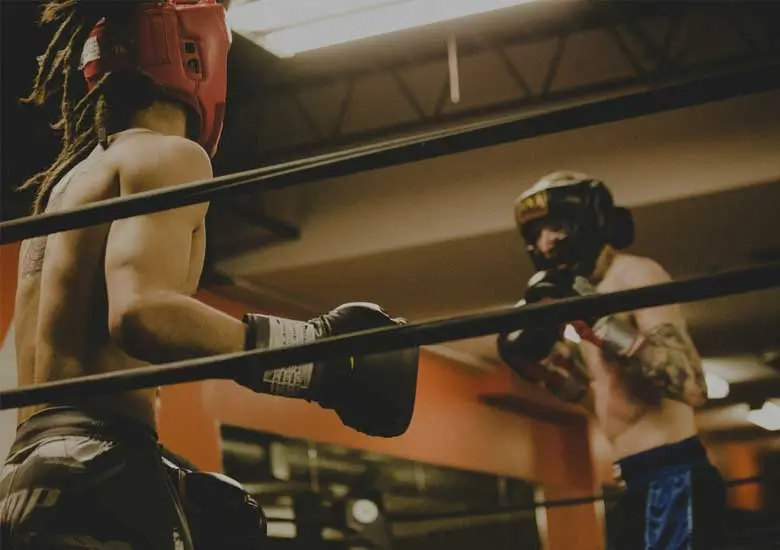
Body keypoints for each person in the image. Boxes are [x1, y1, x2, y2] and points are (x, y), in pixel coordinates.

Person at [0, 1, 418, 548]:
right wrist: (315, 358)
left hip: (24, 475)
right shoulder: (170, 157)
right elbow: (142, 312)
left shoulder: (64, 188)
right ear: (199, 55)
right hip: (100, 469)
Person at [497, 171, 727, 550]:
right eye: (535, 234)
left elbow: (691, 385)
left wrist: (603, 323)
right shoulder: (581, 294)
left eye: (555, 226)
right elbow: (601, 397)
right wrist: (540, 364)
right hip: (632, 480)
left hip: (673, 475)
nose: (545, 242)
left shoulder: (635, 274)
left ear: (588, 222)